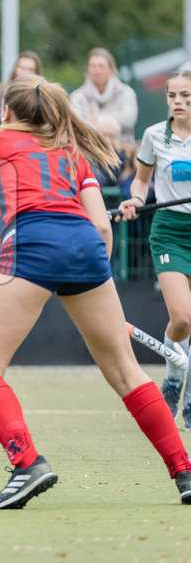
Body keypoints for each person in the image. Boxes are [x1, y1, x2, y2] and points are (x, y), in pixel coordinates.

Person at [0, 74, 191, 509]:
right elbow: (102, 227)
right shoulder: (70, 151)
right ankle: (184, 471)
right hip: (85, 247)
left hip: (31, 242)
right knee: (127, 373)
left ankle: (27, 464)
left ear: (7, 112)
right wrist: (96, 277)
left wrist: (3, 239)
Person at [120, 70, 191, 427]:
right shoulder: (153, 136)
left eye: (186, 96)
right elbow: (142, 179)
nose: (177, 102)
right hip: (170, 231)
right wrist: (134, 199)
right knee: (182, 318)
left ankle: (188, 391)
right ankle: (175, 375)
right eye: (172, 95)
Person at [70, 47, 138, 144]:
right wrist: (113, 120)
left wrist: (96, 120)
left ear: (112, 69)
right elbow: (77, 125)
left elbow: (128, 119)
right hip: (90, 152)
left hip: (122, 153)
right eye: (92, 66)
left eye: (101, 66)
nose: (97, 70)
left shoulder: (126, 92)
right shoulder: (77, 96)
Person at [0, 51, 41, 128]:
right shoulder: (2, 91)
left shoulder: (41, 94)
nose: (25, 73)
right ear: (15, 69)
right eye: (22, 68)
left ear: (37, 72)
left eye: (30, 69)